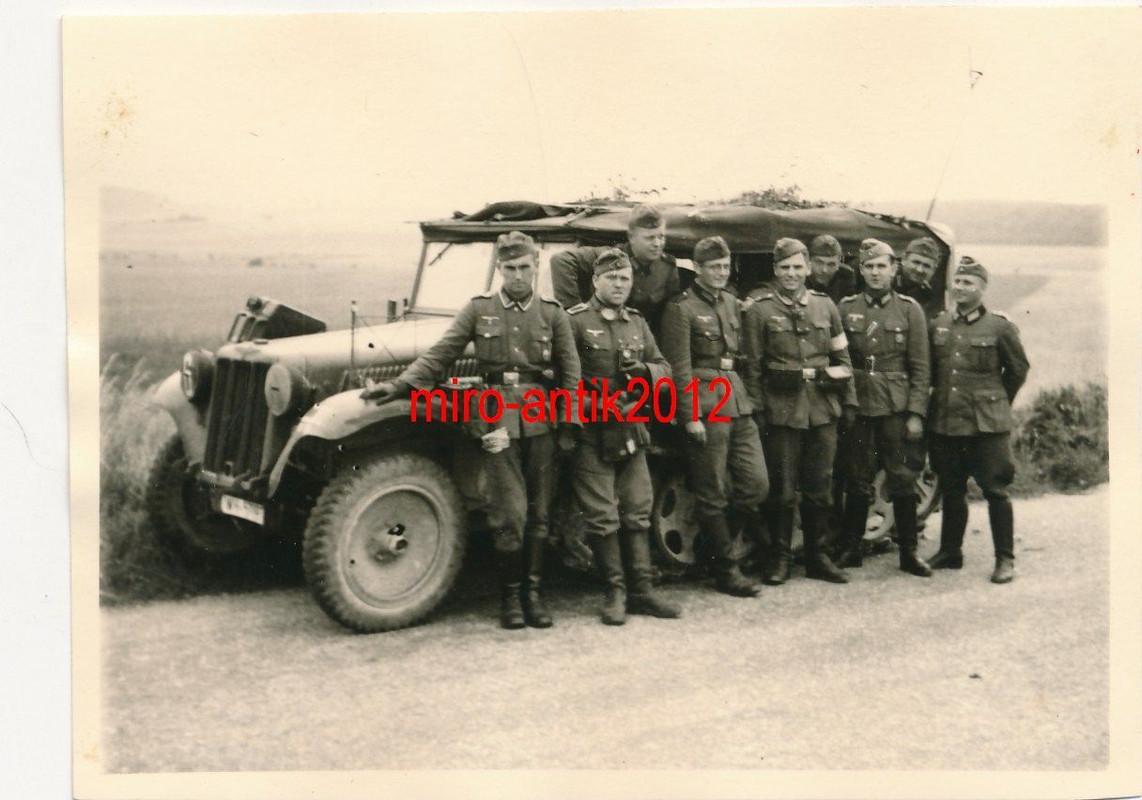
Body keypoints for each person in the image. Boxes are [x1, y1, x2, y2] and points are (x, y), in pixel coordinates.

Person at [364, 231, 581, 628]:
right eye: (510, 268)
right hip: (495, 419)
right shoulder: (479, 310)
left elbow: (571, 374)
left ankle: (534, 595)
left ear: (536, 266)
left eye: (525, 267)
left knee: (540, 512)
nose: (518, 275)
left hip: (542, 421)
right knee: (507, 513)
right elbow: (440, 354)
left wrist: (568, 423)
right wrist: (399, 385)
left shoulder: (553, 313)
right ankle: (511, 598)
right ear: (499, 269)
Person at [565, 248, 682, 625]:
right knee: (601, 515)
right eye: (612, 278)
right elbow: (562, 378)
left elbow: (665, 367)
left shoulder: (637, 322)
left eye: (625, 279)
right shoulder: (576, 322)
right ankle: (614, 592)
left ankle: (643, 593)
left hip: (630, 427)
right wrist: (593, 406)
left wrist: (645, 373)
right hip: (592, 430)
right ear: (596, 281)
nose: (619, 285)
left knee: (636, 509)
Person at [742, 238, 857, 586]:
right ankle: (780, 557)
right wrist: (759, 409)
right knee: (782, 489)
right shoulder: (760, 310)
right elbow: (753, 368)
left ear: (808, 269)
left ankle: (817, 555)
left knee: (819, 485)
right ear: (775, 271)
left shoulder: (826, 307)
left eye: (797, 267)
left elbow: (843, 359)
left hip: (822, 408)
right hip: (782, 410)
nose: (792, 274)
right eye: (784, 268)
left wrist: (849, 402)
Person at [659, 236, 767, 597]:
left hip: (736, 398)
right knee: (712, 489)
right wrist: (689, 415)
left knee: (755, 484)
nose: (721, 273)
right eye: (713, 267)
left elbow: (747, 356)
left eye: (725, 266)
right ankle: (726, 568)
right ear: (698, 269)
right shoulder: (682, 308)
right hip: (706, 402)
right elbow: (680, 367)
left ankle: (710, 547)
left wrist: (750, 397)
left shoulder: (733, 304)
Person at [926, 256, 1030, 584]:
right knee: (951, 487)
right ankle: (950, 551)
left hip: (987, 426)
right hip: (947, 422)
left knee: (995, 489)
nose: (960, 287)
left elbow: (1017, 370)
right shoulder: (939, 324)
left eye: (968, 283)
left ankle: (1005, 559)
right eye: (957, 281)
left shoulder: (1000, 327)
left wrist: (998, 403)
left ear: (982, 289)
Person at [835, 239, 932, 577]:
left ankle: (908, 551)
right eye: (869, 267)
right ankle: (852, 546)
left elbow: (920, 367)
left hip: (896, 406)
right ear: (861, 270)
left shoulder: (909, 310)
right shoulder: (846, 308)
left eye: (881, 267)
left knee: (902, 478)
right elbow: (841, 359)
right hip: (859, 403)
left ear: (894, 269)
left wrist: (917, 413)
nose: (875, 273)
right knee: (858, 478)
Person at [551, 204, 684, 337]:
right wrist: (576, 311)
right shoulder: (610, 257)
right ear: (631, 237)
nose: (657, 244)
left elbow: (668, 315)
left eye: (661, 237)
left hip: (637, 337)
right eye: (649, 238)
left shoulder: (667, 267)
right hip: (600, 333)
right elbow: (561, 260)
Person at [895, 237, 945, 320]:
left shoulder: (927, 293)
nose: (919, 270)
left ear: (933, 269)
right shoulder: (890, 281)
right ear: (904, 260)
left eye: (926, 266)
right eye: (916, 262)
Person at [806, 234, 858, 305]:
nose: (824, 270)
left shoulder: (846, 276)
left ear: (839, 263)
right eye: (819, 262)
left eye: (831, 264)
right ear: (808, 260)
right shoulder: (801, 276)